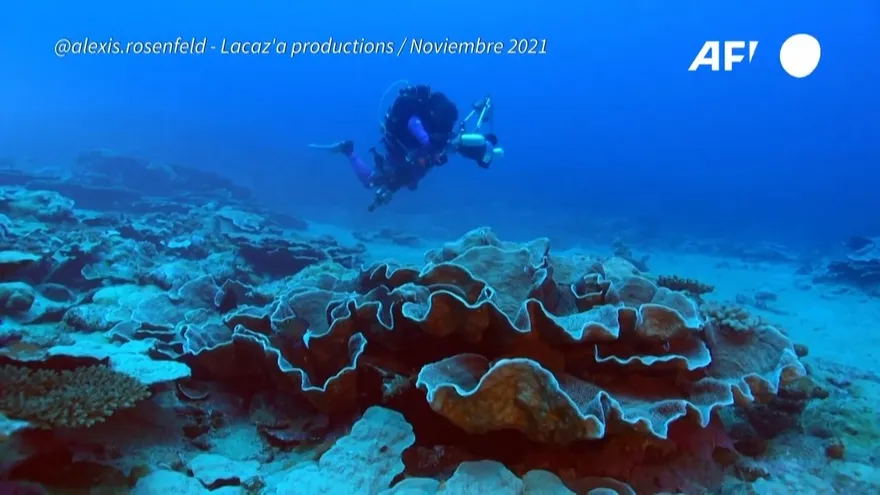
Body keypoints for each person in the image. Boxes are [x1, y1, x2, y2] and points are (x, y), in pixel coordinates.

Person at [309, 83, 504, 212]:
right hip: (402, 155)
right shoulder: (416, 121)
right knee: (372, 182)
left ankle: (355, 156)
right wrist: (435, 150)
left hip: (415, 157)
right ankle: (348, 149)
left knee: (410, 182)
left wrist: (481, 150)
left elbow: (443, 143)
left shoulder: (435, 125)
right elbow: (426, 140)